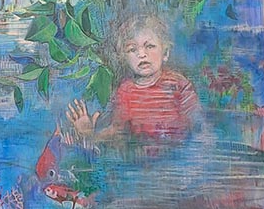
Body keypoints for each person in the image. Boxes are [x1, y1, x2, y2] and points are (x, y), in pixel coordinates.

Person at [66, 14, 199, 142]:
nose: (141, 54)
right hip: (139, 158)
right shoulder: (125, 91)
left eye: (150, 46)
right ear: (124, 58)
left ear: (165, 53)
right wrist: (89, 134)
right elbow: (117, 133)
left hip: (179, 155)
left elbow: (198, 125)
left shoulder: (178, 84)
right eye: (132, 49)